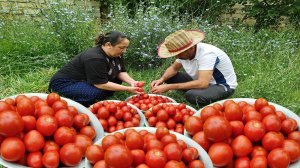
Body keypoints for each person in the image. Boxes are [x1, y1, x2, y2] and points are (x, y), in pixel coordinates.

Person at [49, 31, 142, 107]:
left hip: (85, 79)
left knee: (116, 81)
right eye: (122, 47)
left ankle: (94, 88)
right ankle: (76, 98)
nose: (124, 51)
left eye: (126, 48)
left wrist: (132, 82)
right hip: (64, 83)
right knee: (97, 92)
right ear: (108, 45)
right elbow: (100, 84)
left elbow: (120, 71)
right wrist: (126, 88)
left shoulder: (116, 53)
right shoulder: (95, 58)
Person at [151, 29, 237, 105]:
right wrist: (161, 80)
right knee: (166, 76)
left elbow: (203, 83)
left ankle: (202, 93)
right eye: (175, 54)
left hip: (221, 85)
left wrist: (169, 87)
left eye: (179, 54)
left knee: (192, 95)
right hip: (200, 80)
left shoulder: (207, 54)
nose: (177, 57)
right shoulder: (184, 53)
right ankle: (197, 89)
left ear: (191, 48)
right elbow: (174, 68)